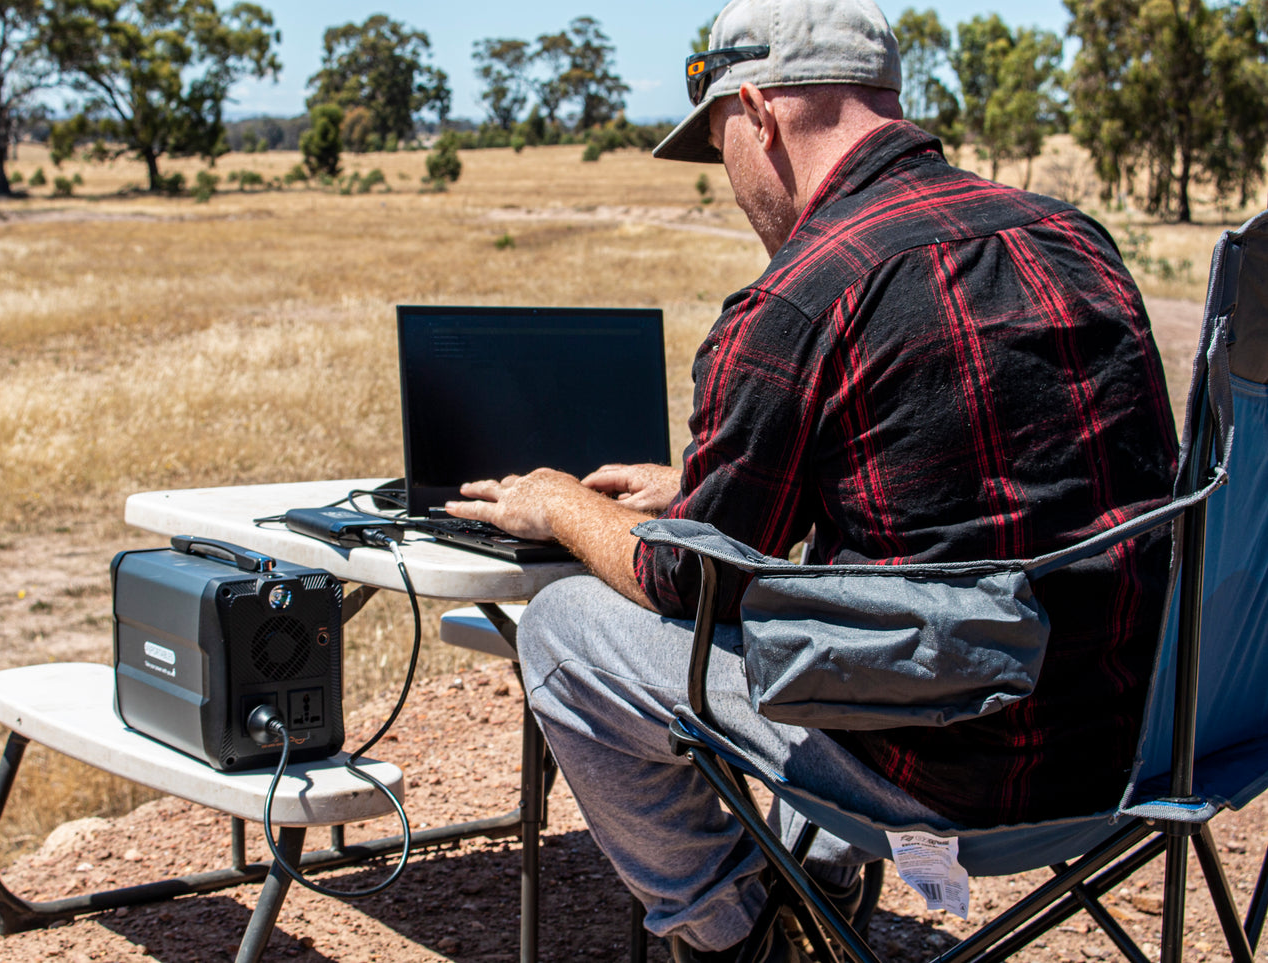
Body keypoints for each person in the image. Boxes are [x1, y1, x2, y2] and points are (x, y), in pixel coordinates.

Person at [445, 0, 1178, 959]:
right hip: (1144, 748)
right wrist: (701, 485)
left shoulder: (801, 295)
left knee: (561, 629)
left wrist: (559, 503)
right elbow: (992, 491)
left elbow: (684, 581)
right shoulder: (1070, 237)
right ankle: (818, 888)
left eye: (719, 148)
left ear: (756, 112)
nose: (733, 186)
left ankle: (730, 935)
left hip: (947, 775)